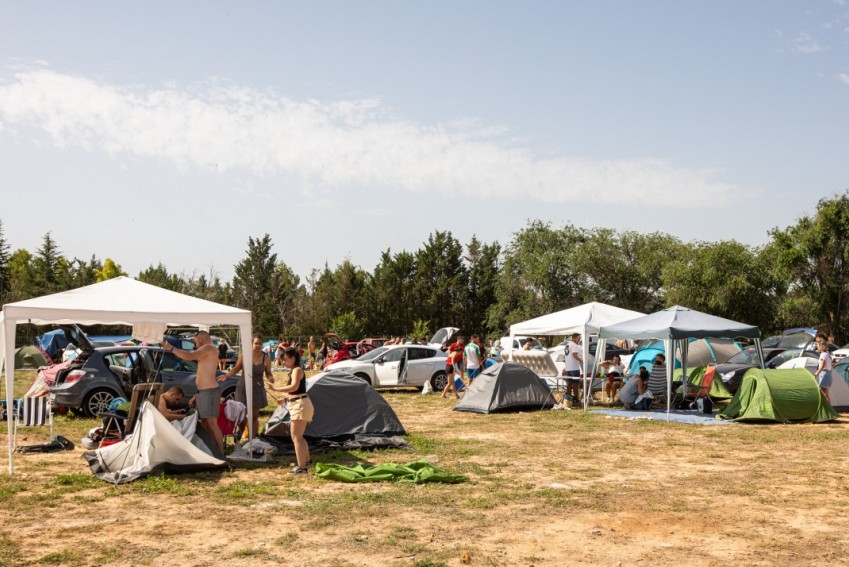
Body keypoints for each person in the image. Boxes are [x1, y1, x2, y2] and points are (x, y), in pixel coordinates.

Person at [162, 331, 224, 454]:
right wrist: (197, 394)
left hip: (209, 391)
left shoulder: (208, 348)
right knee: (206, 423)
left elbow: (189, 356)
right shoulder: (208, 350)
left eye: (195, 341)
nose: (195, 344)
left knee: (212, 423)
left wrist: (171, 348)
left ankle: (221, 453)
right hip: (203, 391)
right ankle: (212, 450)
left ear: (200, 339)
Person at [268, 347, 314, 474]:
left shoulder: (297, 370)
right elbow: (297, 390)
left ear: (293, 358)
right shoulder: (296, 370)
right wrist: (285, 399)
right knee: (299, 437)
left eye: (285, 360)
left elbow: (294, 387)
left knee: (296, 437)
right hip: (300, 403)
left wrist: (276, 389)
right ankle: (307, 461)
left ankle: (302, 468)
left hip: (301, 405)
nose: (283, 362)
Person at [219, 334, 274, 441]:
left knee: (254, 416)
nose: (258, 345)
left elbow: (268, 373)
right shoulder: (245, 355)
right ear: (251, 344)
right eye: (256, 343)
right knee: (242, 416)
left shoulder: (266, 357)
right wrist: (226, 376)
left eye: (260, 343)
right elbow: (236, 369)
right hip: (243, 387)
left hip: (257, 388)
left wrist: (270, 378)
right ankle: (241, 431)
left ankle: (252, 440)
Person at [562, 333, 583, 402]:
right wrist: (581, 360)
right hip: (574, 368)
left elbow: (566, 356)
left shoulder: (567, 345)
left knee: (569, 384)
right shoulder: (574, 345)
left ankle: (568, 399)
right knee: (575, 384)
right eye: (578, 338)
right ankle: (576, 399)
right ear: (574, 338)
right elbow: (574, 354)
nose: (579, 340)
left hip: (568, 368)